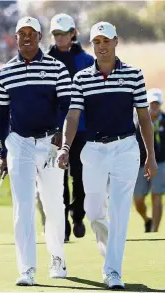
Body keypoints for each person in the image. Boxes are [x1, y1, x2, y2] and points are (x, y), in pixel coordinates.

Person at [57, 22, 157, 289]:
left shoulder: (134, 74)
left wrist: (151, 155)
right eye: (97, 42)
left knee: (120, 210)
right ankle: (110, 247)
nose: (102, 46)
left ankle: (113, 270)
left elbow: (144, 117)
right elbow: (73, 115)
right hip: (93, 151)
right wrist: (66, 147)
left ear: (116, 42)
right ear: (93, 45)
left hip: (125, 148)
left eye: (106, 41)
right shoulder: (81, 78)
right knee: (92, 210)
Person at [0, 16, 71, 285]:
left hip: (49, 143)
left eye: (32, 33)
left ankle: (57, 257)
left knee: (53, 204)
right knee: (23, 207)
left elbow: (66, 106)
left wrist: (61, 137)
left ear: (40, 37)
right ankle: (26, 268)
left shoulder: (56, 68)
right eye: (21, 33)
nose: (26, 37)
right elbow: (1, 116)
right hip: (19, 143)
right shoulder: (5, 72)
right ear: (15, 38)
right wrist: (3, 151)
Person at [45, 13, 94, 242]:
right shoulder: (46, 60)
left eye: (63, 34)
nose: (59, 38)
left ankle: (78, 214)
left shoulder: (85, 60)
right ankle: (62, 222)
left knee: (80, 175)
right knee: (59, 178)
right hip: (56, 128)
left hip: (82, 127)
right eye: (56, 34)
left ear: (73, 34)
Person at [134, 88, 164, 233]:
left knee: (156, 195)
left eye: (157, 103)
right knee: (138, 198)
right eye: (152, 103)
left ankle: (154, 230)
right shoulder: (138, 121)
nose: (154, 106)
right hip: (140, 163)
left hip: (161, 163)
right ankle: (147, 219)